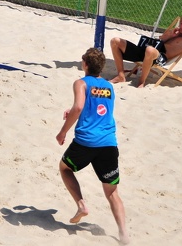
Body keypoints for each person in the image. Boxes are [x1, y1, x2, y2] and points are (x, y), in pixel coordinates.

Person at [56, 48, 129, 245]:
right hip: (108, 143)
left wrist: (63, 131)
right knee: (112, 192)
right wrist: (71, 110)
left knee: (65, 168)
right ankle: (124, 234)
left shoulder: (80, 83)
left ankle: (81, 205)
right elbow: (97, 108)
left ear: (85, 64)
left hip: (86, 141)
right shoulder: (108, 87)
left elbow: (80, 107)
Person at [109, 15, 182, 87]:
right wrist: (170, 35)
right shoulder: (174, 33)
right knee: (115, 41)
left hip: (160, 57)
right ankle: (121, 76)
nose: (181, 26)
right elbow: (160, 39)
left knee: (149, 50)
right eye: (181, 23)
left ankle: (141, 81)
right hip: (146, 50)